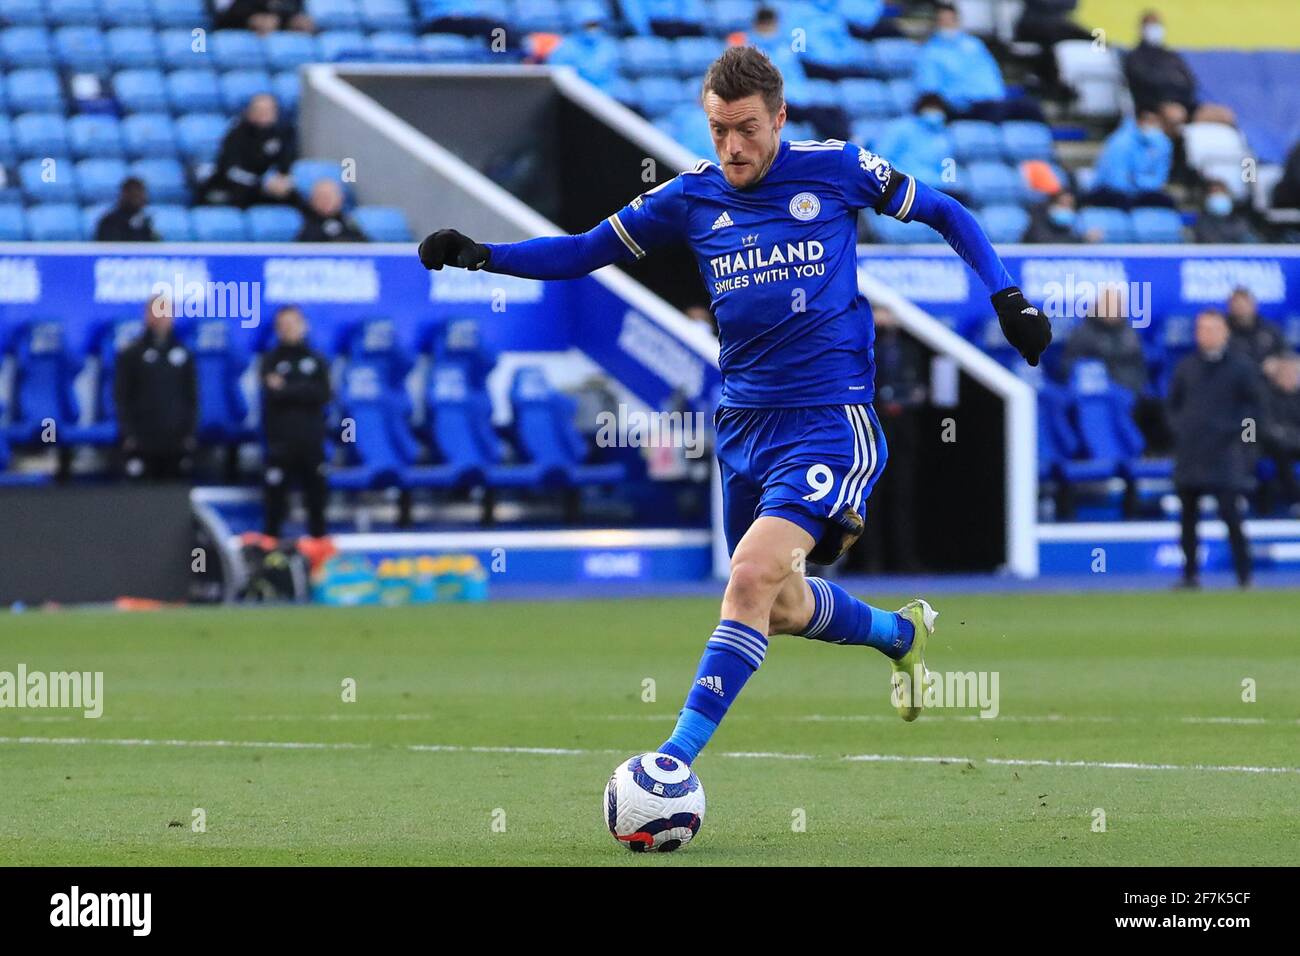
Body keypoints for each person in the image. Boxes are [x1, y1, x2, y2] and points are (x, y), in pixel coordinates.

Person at [416, 46, 1051, 762]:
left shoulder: (836, 169)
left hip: (827, 421)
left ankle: (670, 764)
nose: (732, 145)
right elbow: (582, 251)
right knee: (776, 604)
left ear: (779, 117)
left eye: (747, 128)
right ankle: (900, 636)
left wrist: (1008, 296)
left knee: (749, 578)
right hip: (742, 429)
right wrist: (481, 255)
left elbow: (943, 209)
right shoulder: (691, 197)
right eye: (718, 129)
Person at [1167, 309, 1260, 588]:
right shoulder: (1186, 367)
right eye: (1202, 329)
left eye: (1212, 328)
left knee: (1232, 517)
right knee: (1187, 519)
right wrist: (1181, 429)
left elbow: (1253, 412)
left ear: (1225, 332)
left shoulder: (1241, 367)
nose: (1206, 334)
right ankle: (1190, 575)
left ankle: (1244, 576)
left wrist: (1246, 445)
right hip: (1191, 453)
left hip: (1226, 453)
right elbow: (1172, 406)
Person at [260, 306, 331, 540]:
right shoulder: (270, 360)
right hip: (280, 444)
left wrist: (287, 389)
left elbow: (323, 394)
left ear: (304, 325)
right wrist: (302, 390)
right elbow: (271, 395)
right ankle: (269, 561)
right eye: (284, 325)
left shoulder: (316, 359)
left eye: (293, 323)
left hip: (311, 443)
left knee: (317, 505)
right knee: (274, 507)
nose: (289, 329)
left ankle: (319, 559)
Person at [114, 293, 197, 481]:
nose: (162, 317)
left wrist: (190, 432)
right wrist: (128, 433)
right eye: (157, 311)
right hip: (142, 439)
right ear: (147, 315)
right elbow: (121, 397)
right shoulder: (131, 354)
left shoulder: (185, 354)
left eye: (166, 312)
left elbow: (192, 396)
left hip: (175, 439)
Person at [914, 3, 1043, 122]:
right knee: (995, 115)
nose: (948, 24)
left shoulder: (974, 45)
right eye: (943, 20)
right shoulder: (930, 52)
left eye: (951, 19)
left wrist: (996, 95)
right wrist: (958, 102)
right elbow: (930, 89)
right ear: (937, 23)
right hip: (964, 106)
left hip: (991, 101)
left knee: (1031, 109)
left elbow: (991, 72)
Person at [200, 94, 296, 209]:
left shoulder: (280, 134)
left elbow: (285, 164)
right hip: (230, 186)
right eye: (260, 110)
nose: (265, 114)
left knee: (293, 198)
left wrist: (282, 180)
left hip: (260, 188)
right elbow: (231, 170)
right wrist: (262, 184)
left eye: (269, 110)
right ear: (250, 112)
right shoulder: (236, 135)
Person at [1087, 109, 1174, 209]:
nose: (1153, 126)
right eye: (1149, 121)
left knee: (1166, 202)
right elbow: (1117, 181)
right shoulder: (1120, 142)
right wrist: (1143, 181)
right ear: (1139, 122)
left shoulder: (1162, 142)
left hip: (1142, 192)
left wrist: (1136, 179)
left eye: (1155, 122)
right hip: (1109, 191)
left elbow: (1160, 180)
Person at [871, 94, 957, 195]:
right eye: (930, 108)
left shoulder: (944, 135)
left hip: (935, 191)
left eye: (938, 109)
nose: (934, 113)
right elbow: (880, 159)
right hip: (902, 188)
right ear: (920, 108)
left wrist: (949, 186)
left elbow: (948, 168)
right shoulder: (898, 128)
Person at [1122, 11, 1198, 115]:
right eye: (1151, 25)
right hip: (1154, 107)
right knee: (1175, 114)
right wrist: (1173, 83)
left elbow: (1190, 81)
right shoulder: (1135, 57)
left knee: (1220, 115)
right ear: (1142, 29)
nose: (1155, 29)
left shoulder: (1171, 55)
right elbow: (1145, 83)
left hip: (1184, 104)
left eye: (1157, 25)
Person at [1260, 355, 1300, 515]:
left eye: (1294, 374)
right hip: (1275, 447)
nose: (1291, 378)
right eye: (1286, 374)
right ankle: (1296, 499)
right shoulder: (1265, 397)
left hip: (1295, 443)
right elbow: (1262, 427)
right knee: (1280, 452)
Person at [1226, 287, 1286, 364]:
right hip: (1231, 373)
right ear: (1230, 307)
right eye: (1237, 304)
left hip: (1264, 373)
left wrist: (1277, 362)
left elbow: (1286, 354)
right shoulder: (1221, 329)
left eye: (1245, 303)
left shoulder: (1270, 329)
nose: (1241, 308)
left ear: (1254, 305)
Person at [295, 179, 368, 242]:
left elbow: (363, 247)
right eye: (321, 196)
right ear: (312, 200)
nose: (326, 200)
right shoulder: (304, 223)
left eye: (330, 196)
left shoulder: (349, 223)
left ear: (340, 198)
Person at [94, 177, 158, 242]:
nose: (141, 197)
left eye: (142, 193)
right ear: (124, 195)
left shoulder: (145, 222)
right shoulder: (109, 222)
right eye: (135, 195)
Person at [1024, 189, 1100, 243]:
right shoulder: (1037, 217)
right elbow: (1044, 240)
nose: (1065, 209)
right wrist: (1082, 239)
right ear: (1051, 205)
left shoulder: (1072, 222)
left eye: (1070, 205)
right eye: (1062, 204)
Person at [209, 0, 312, 34]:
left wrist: (287, 21)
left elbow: (292, 9)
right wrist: (249, 20)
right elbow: (222, 15)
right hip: (236, 32)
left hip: (280, 34)